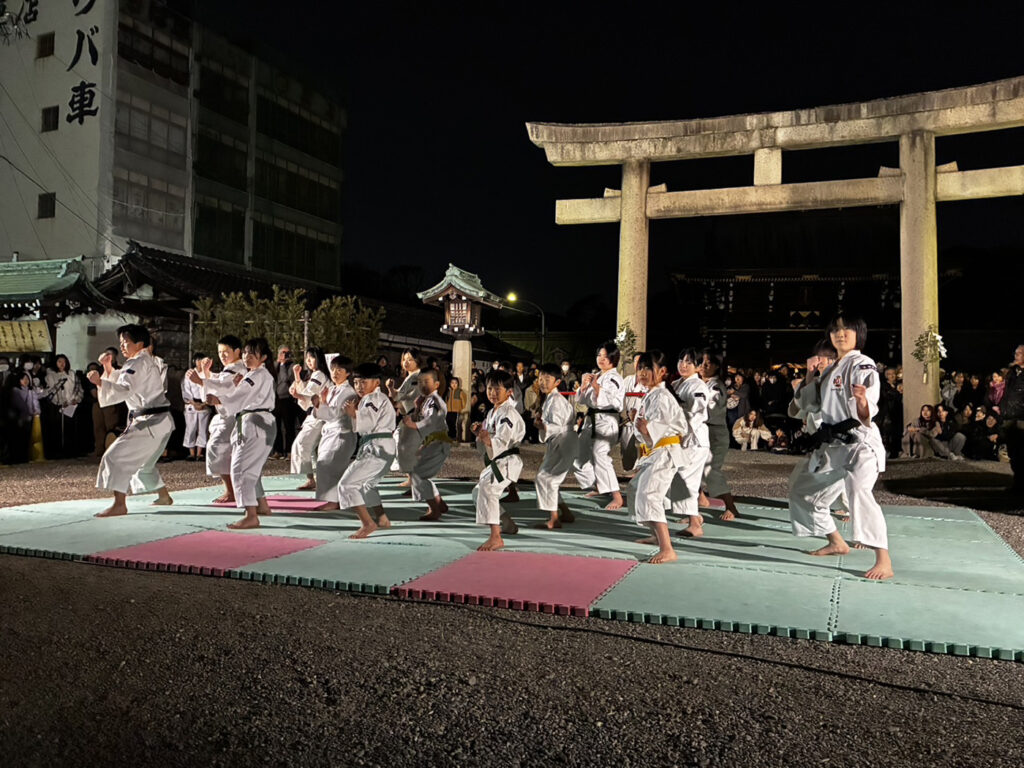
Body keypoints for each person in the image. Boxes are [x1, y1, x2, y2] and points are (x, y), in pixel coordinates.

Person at [788, 314, 893, 580]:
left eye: (847, 329)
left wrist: (862, 402)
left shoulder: (862, 363)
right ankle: (837, 541)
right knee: (802, 490)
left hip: (859, 443)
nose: (841, 333)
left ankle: (884, 559)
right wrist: (810, 379)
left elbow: (869, 400)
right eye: (835, 329)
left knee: (859, 492)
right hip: (833, 446)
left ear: (859, 334)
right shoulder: (830, 370)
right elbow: (807, 407)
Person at [89, 325, 174, 517]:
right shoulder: (141, 361)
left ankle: (119, 504)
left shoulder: (138, 363)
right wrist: (107, 368)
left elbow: (125, 388)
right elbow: (121, 379)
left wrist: (100, 382)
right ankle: (164, 496)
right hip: (158, 422)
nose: (123, 346)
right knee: (144, 464)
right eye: (121, 343)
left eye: (126, 342)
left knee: (115, 456)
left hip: (150, 422)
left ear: (140, 343)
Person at [203, 338, 277, 529]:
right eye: (245, 353)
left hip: (254, 424)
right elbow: (241, 394)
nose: (247, 357)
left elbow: (240, 396)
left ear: (264, 358)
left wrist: (218, 400)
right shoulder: (256, 375)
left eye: (252, 354)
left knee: (240, 468)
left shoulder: (257, 375)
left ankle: (250, 514)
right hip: (254, 422)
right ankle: (261, 506)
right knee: (251, 470)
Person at [628, 350, 686, 564]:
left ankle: (667, 548)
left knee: (650, 494)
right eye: (640, 368)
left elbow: (656, 429)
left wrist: (645, 428)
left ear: (662, 372)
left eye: (647, 368)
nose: (643, 372)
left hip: (664, 453)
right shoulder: (652, 394)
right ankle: (656, 534)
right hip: (655, 452)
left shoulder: (662, 396)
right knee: (637, 490)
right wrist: (639, 425)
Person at [337, 363, 397, 539]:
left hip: (378, 447)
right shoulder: (370, 399)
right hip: (378, 446)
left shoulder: (374, 399)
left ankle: (367, 523)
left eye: (363, 382)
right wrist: (355, 413)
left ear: (376, 382)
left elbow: (368, 423)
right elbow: (362, 427)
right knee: (367, 485)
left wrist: (354, 414)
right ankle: (382, 518)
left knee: (347, 484)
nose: (359, 386)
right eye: (356, 383)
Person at [472, 369, 526, 551]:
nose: (492, 393)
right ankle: (507, 523)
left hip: (508, 460)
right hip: (499, 460)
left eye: (497, 390)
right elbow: (489, 438)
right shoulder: (492, 412)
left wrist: (488, 439)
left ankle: (496, 536)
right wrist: (480, 433)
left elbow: (501, 441)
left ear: (509, 391)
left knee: (488, 488)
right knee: (478, 491)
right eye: (489, 389)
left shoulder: (508, 413)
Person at [191, 336, 247, 503]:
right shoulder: (230, 369)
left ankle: (231, 491)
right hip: (228, 415)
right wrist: (206, 374)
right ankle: (233, 490)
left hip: (232, 416)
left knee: (219, 449)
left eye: (226, 352)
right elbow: (220, 382)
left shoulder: (237, 369)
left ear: (237, 351)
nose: (222, 355)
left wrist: (202, 380)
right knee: (227, 452)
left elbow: (225, 387)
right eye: (220, 352)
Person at [573, 340, 626, 510]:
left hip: (606, 420)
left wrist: (597, 388)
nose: (601, 359)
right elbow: (581, 400)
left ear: (613, 358)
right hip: (591, 420)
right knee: (579, 454)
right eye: (599, 355)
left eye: (605, 356)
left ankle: (616, 496)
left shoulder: (615, 378)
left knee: (600, 454)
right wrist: (584, 386)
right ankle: (598, 485)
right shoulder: (596, 375)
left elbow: (615, 402)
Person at [670, 348, 711, 538]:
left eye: (688, 362)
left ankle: (695, 523)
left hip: (694, 438)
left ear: (698, 366)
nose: (683, 365)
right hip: (681, 438)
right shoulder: (676, 383)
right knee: (679, 478)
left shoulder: (698, 386)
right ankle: (694, 517)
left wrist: (680, 405)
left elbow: (698, 406)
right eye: (681, 361)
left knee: (686, 480)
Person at [697, 348, 741, 521]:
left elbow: (712, 409)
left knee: (710, 470)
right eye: (701, 362)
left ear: (716, 366)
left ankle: (731, 507)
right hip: (700, 431)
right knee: (693, 469)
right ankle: (695, 508)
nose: (704, 365)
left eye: (708, 362)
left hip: (714, 431)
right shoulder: (697, 383)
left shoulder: (716, 386)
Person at [533, 363, 578, 530]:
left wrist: (542, 426)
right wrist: (542, 425)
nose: (543, 382)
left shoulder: (556, 400)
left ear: (557, 382)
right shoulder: (551, 399)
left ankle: (554, 518)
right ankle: (564, 512)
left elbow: (557, 426)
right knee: (545, 478)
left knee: (547, 479)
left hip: (564, 441)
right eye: (540, 379)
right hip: (560, 441)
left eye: (547, 379)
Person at [403, 369, 453, 521]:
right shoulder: (425, 400)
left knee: (418, 473)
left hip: (438, 442)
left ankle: (434, 508)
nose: (422, 385)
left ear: (436, 384)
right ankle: (438, 502)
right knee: (419, 473)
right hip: (430, 442)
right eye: (420, 382)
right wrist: (417, 408)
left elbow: (432, 421)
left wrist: (414, 425)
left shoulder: (436, 401)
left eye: (427, 381)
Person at [310, 356, 357, 510]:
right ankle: (336, 500)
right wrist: (321, 403)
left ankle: (334, 501)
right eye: (333, 369)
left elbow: (333, 413)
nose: (335, 373)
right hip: (331, 431)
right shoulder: (333, 389)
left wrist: (319, 405)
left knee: (330, 466)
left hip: (341, 433)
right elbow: (328, 411)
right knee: (326, 465)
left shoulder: (348, 391)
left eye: (339, 370)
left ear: (348, 373)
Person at [289, 347, 329, 491]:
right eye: (307, 358)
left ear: (319, 359)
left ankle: (315, 479)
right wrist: (297, 375)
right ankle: (313, 479)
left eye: (312, 358)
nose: (308, 361)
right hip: (315, 415)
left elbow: (309, 395)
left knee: (302, 444)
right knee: (310, 449)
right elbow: (305, 395)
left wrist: (298, 395)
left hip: (321, 415)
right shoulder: (314, 375)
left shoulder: (319, 375)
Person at [387, 348, 423, 486]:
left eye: (410, 359)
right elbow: (401, 400)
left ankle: (414, 479)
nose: (406, 362)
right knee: (407, 446)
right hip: (412, 415)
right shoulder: (413, 377)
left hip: (414, 416)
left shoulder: (415, 377)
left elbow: (397, 396)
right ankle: (412, 478)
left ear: (417, 361)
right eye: (404, 359)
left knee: (402, 443)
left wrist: (390, 388)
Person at [1002, 345, 1024, 492]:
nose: (1016, 355)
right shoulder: (1012, 373)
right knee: (1013, 452)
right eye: (1015, 353)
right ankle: (1018, 483)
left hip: (1022, 418)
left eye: (1019, 353)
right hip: (1010, 417)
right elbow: (1007, 393)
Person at [181, 351, 210, 462]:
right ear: (194, 361)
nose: (199, 363)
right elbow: (186, 390)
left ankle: (200, 453)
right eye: (198, 360)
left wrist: (203, 404)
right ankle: (191, 453)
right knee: (191, 428)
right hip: (191, 404)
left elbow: (211, 389)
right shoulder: (189, 374)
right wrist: (193, 403)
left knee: (203, 429)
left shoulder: (208, 374)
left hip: (204, 404)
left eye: (202, 361)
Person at [272, 345, 298, 458]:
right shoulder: (274, 365)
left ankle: (289, 451)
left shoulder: (292, 366)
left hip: (287, 399)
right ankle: (277, 451)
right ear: (278, 353)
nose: (285, 355)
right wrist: (278, 363)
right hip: (275, 399)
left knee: (289, 427)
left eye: (287, 353)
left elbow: (284, 378)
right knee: (275, 427)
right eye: (283, 352)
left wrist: (283, 364)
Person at [445, 376, 468, 441]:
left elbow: (464, 401)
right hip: (449, 410)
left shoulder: (460, 392)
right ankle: (449, 435)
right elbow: (446, 400)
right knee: (448, 422)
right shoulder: (449, 391)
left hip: (456, 410)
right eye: (452, 383)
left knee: (454, 423)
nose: (454, 384)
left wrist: (461, 407)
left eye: (455, 383)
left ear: (458, 384)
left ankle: (454, 436)